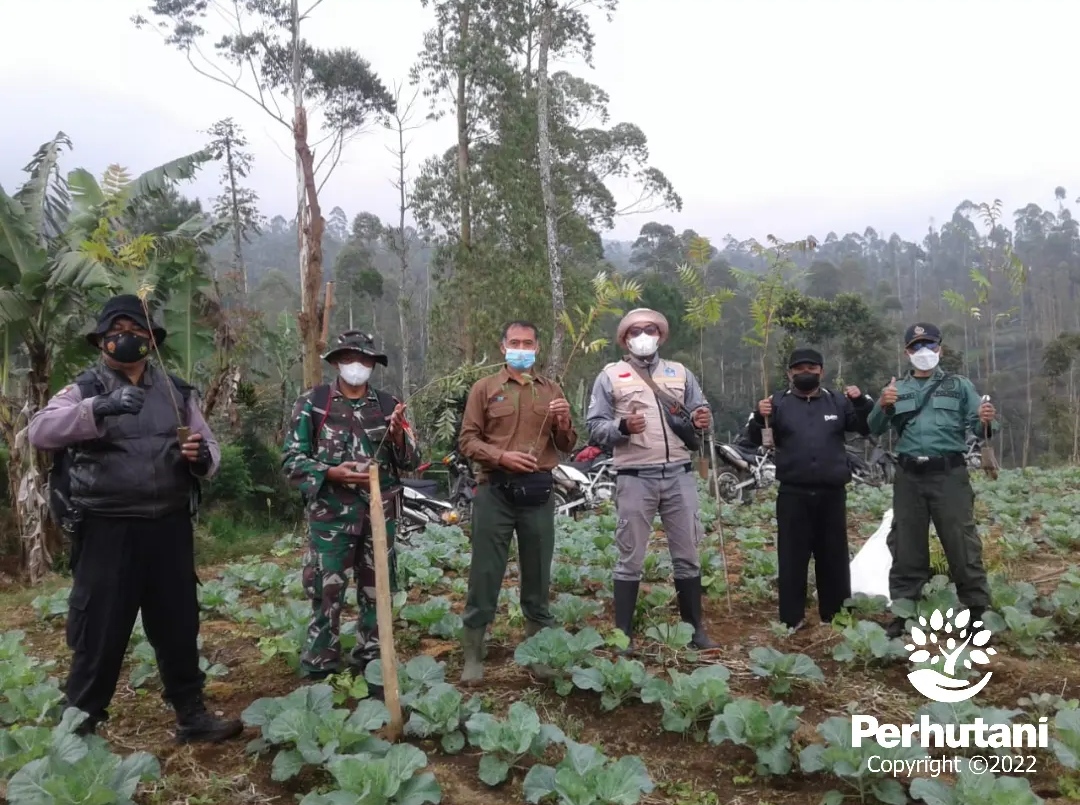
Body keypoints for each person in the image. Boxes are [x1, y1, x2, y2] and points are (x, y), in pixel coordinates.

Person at [27, 294, 241, 743]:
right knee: (99, 629)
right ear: (102, 341)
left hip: (169, 527)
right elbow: (40, 432)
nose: (126, 340)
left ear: (151, 340)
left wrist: (200, 456)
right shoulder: (83, 389)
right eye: (116, 332)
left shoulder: (176, 392)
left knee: (178, 624)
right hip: (108, 528)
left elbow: (211, 452)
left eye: (136, 332)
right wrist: (98, 409)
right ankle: (80, 727)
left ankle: (192, 716)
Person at [282, 331, 418, 681]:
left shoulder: (389, 405)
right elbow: (292, 461)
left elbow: (412, 461)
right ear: (336, 362)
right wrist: (331, 472)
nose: (357, 365)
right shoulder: (313, 403)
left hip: (379, 516)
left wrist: (400, 435)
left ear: (373, 364)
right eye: (349, 358)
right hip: (330, 517)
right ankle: (321, 663)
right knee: (326, 592)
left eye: (365, 359)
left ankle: (373, 660)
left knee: (378, 590)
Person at [585, 308, 717, 652]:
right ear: (625, 339)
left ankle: (695, 631)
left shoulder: (680, 373)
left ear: (660, 334)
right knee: (630, 556)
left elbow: (700, 414)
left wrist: (702, 418)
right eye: (635, 331)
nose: (643, 335)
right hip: (634, 476)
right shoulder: (611, 376)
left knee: (687, 553)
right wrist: (622, 428)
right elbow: (595, 427)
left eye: (649, 329)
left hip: (679, 476)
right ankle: (623, 635)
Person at [456, 321, 577, 684]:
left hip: (537, 493)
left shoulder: (551, 390)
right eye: (514, 342)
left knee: (538, 574)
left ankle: (537, 653)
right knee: (485, 573)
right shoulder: (485, 389)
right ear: (502, 346)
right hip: (495, 490)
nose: (521, 348)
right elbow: (467, 440)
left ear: (537, 348)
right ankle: (474, 653)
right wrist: (501, 457)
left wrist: (563, 420)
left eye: (527, 343)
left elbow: (566, 444)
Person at [867, 323, 996, 639]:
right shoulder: (896, 389)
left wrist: (986, 419)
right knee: (907, 546)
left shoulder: (959, 385)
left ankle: (978, 613)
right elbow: (873, 426)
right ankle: (903, 614)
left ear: (941, 348)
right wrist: (883, 405)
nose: (924, 352)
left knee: (962, 543)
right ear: (907, 352)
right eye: (916, 347)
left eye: (930, 345)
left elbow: (982, 428)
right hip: (909, 476)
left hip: (949, 474)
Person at [746, 348, 874, 630]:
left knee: (833, 555)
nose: (806, 373)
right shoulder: (776, 403)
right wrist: (759, 416)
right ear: (790, 373)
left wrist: (862, 402)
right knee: (792, 557)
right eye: (799, 368)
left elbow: (863, 427)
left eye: (812, 368)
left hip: (832, 493)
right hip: (793, 492)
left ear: (822, 372)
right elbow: (753, 438)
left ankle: (836, 615)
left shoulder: (837, 401)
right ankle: (791, 619)